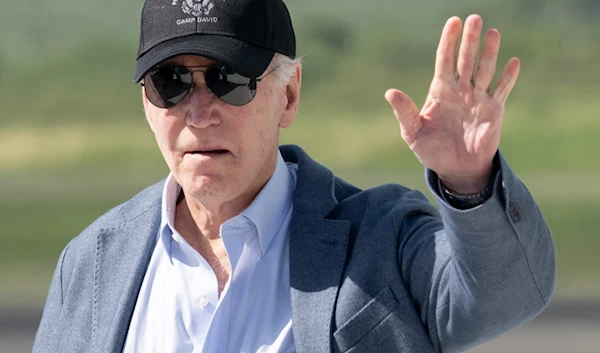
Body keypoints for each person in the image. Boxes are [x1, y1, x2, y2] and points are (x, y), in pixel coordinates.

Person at [33, 0, 555, 352]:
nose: (199, 112)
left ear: (288, 94)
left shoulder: (381, 237)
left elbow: (501, 297)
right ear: (145, 102)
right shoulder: (92, 263)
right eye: (170, 83)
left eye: (229, 80)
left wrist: (470, 183)